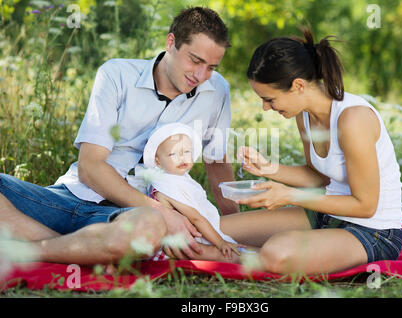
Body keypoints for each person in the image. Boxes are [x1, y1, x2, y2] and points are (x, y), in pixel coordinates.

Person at [0, 7, 239, 265]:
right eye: (195, 60)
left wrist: (231, 225)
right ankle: (73, 247)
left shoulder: (217, 91)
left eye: (211, 67)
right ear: (171, 43)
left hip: (130, 216)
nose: (201, 75)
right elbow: (89, 167)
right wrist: (160, 210)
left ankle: (32, 248)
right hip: (67, 198)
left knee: (147, 230)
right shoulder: (116, 74)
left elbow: (217, 163)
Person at [214, 27, 402, 275]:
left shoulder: (353, 119)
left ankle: (226, 254)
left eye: (269, 99)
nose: (265, 107)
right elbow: (319, 176)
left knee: (277, 253)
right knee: (216, 228)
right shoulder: (303, 115)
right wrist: (268, 169)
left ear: (298, 86)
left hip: (373, 232)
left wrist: (290, 196)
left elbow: (365, 206)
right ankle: (233, 249)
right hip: (325, 216)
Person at [133, 123, 253, 262]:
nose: (182, 157)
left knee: (237, 247)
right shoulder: (167, 184)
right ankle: (259, 260)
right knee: (225, 253)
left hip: (192, 233)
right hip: (174, 244)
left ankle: (258, 254)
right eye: (173, 154)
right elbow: (196, 218)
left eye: (186, 152)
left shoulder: (179, 178)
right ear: (157, 161)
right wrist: (220, 242)